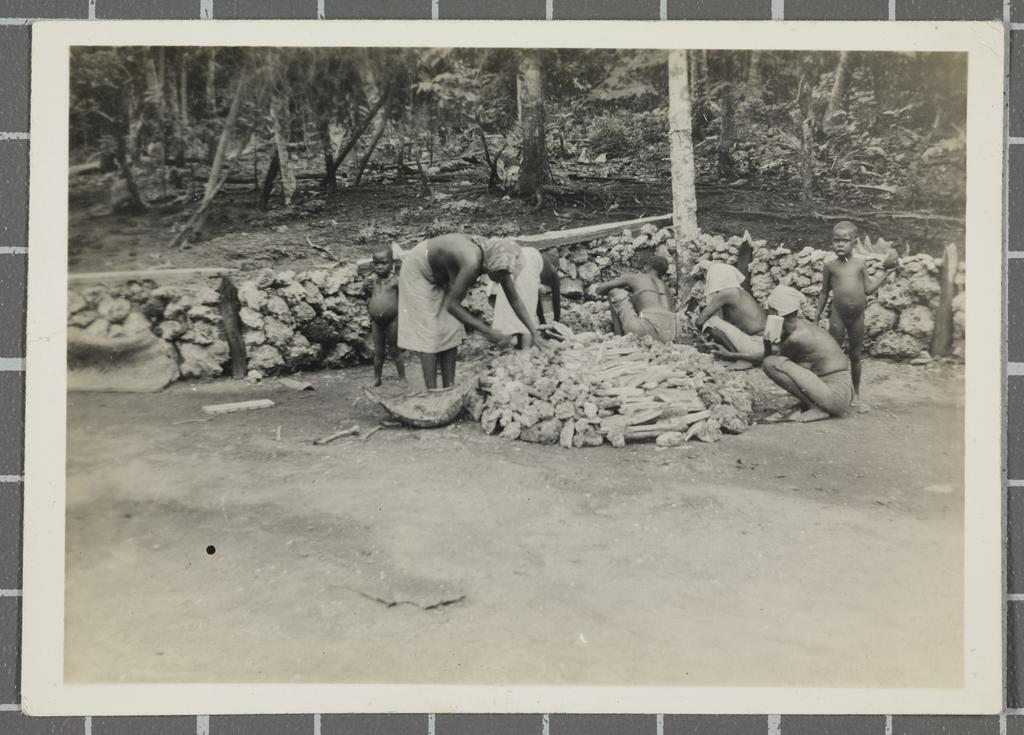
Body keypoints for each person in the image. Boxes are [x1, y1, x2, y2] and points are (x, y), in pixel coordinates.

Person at [397, 233, 545, 389]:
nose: (504, 278)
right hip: (419, 268)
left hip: (443, 270)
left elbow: (514, 299)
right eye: (502, 274)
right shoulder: (472, 262)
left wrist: (534, 332)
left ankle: (449, 388)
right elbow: (452, 306)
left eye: (506, 274)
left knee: (452, 329)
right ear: (493, 264)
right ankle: (432, 392)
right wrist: (488, 331)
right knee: (430, 331)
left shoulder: (499, 260)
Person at [814, 220, 898, 406]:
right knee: (834, 353)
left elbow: (868, 289)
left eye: (845, 241)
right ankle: (833, 391)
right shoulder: (830, 266)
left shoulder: (860, 264)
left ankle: (856, 393)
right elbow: (824, 293)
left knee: (855, 355)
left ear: (854, 242)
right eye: (836, 240)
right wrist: (816, 316)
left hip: (857, 316)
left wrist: (885, 273)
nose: (840, 245)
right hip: (838, 315)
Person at [761, 285, 853, 423]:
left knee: (769, 364)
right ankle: (814, 403)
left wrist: (767, 339)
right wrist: (770, 336)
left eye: (770, 308)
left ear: (775, 311)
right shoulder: (799, 325)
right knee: (776, 363)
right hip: (841, 392)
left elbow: (772, 359)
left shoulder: (797, 338)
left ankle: (815, 407)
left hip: (835, 395)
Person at [695, 262, 767, 367]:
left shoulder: (726, 293)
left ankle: (741, 359)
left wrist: (696, 321)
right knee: (717, 320)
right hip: (765, 348)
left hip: (756, 346)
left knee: (711, 321)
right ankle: (740, 357)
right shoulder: (740, 292)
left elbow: (700, 321)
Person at [591, 255, 676, 343]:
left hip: (644, 330)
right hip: (670, 334)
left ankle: (618, 339)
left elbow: (599, 289)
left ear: (646, 267)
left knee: (614, 292)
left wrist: (627, 289)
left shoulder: (636, 277)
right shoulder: (668, 290)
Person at [492, 247, 561, 349]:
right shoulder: (553, 274)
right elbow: (556, 301)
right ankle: (525, 350)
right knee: (528, 312)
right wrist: (556, 324)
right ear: (556, 267)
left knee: (508, 300)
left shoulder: (541, 268)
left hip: (514, 255)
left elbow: (536, 301)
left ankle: (503, 342)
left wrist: (543, 321)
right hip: (527, 260)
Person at [366, 247, 406, 387]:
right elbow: (369, 295)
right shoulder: (372, 280)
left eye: (383, 263)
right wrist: (365, 288)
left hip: (392, 321)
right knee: (378, 351)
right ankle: (377, 378)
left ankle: (402, 378)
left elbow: (404, 298)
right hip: (376, 322)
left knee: (395, 350)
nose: (379, 266)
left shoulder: (396, 281)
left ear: (392, 263)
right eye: (376, 263)